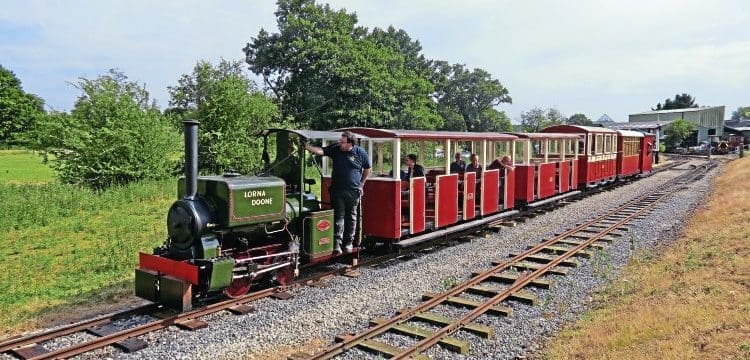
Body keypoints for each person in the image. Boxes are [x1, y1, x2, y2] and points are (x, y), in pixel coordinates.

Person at [304, 131, 371, 254]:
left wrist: (362, 184)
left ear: (350, 143)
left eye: (343, 142)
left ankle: (349, 243)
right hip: (337, 190)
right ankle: (336, 245)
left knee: (351, 217)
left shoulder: (360, 152)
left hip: (353, 190)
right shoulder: (336, 149)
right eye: (340, 141)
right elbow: (321, 151)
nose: (340, 143)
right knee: (338, 217)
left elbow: (367, 168)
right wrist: (307, 147)